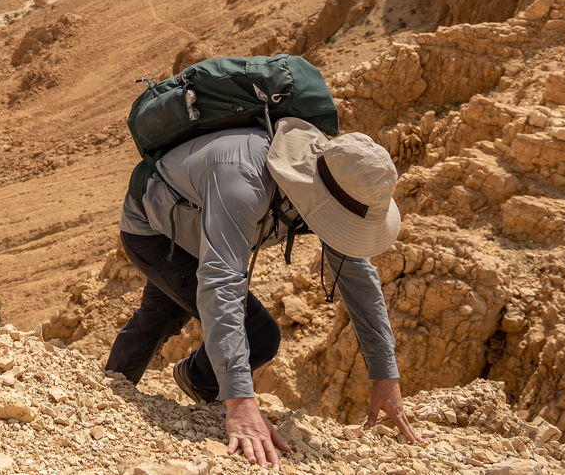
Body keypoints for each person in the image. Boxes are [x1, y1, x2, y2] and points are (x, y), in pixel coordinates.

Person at [105, 117, 422, 469]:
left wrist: (385, 374)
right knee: (257, 335)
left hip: (200, 223)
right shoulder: (242, 178)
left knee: (160, 313)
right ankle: (123, 396)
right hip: (154, 230)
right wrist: (240, 401)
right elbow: (221, 282)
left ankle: (110, 389)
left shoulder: (332, 179)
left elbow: (357, 277)